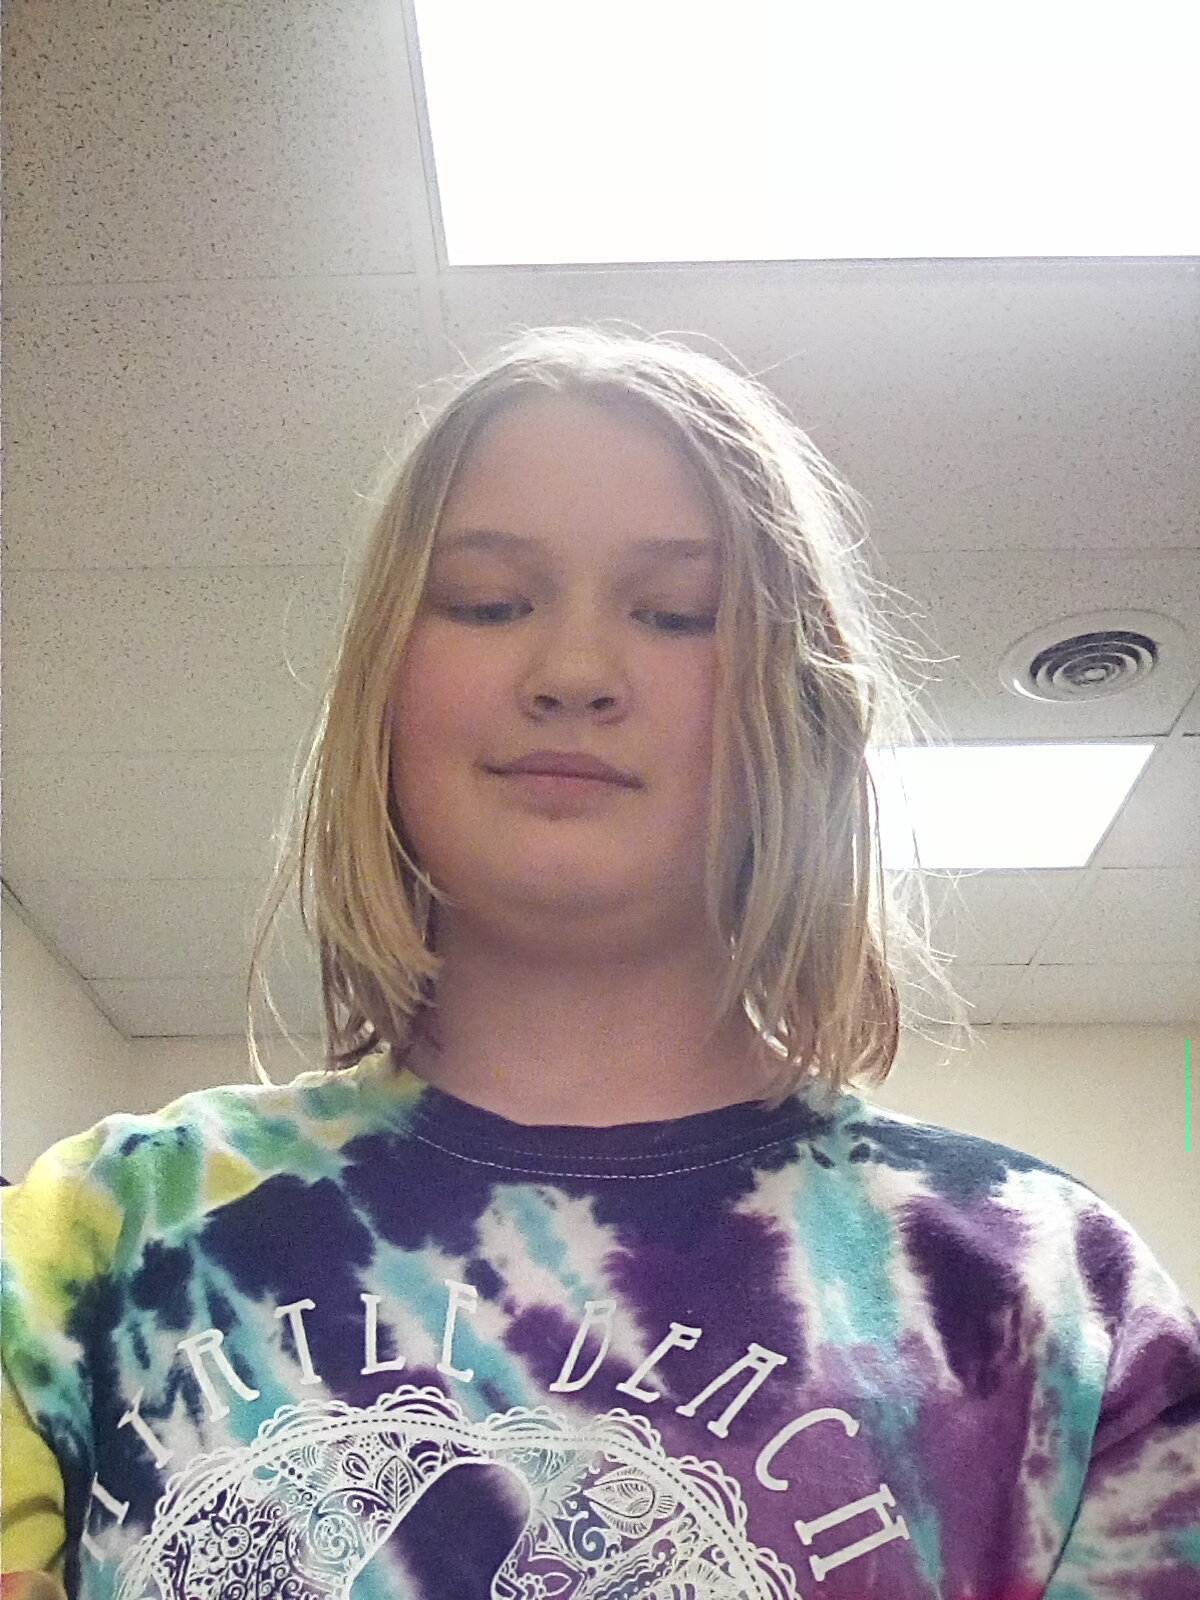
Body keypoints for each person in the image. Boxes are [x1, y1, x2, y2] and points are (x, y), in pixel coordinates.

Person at [2, 326, 1197, 1600]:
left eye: (676, 613)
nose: (573, 673)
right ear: (382, 683)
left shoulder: (1045, 1302)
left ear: (800, 705)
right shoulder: (105, 1237)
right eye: (488, 601)